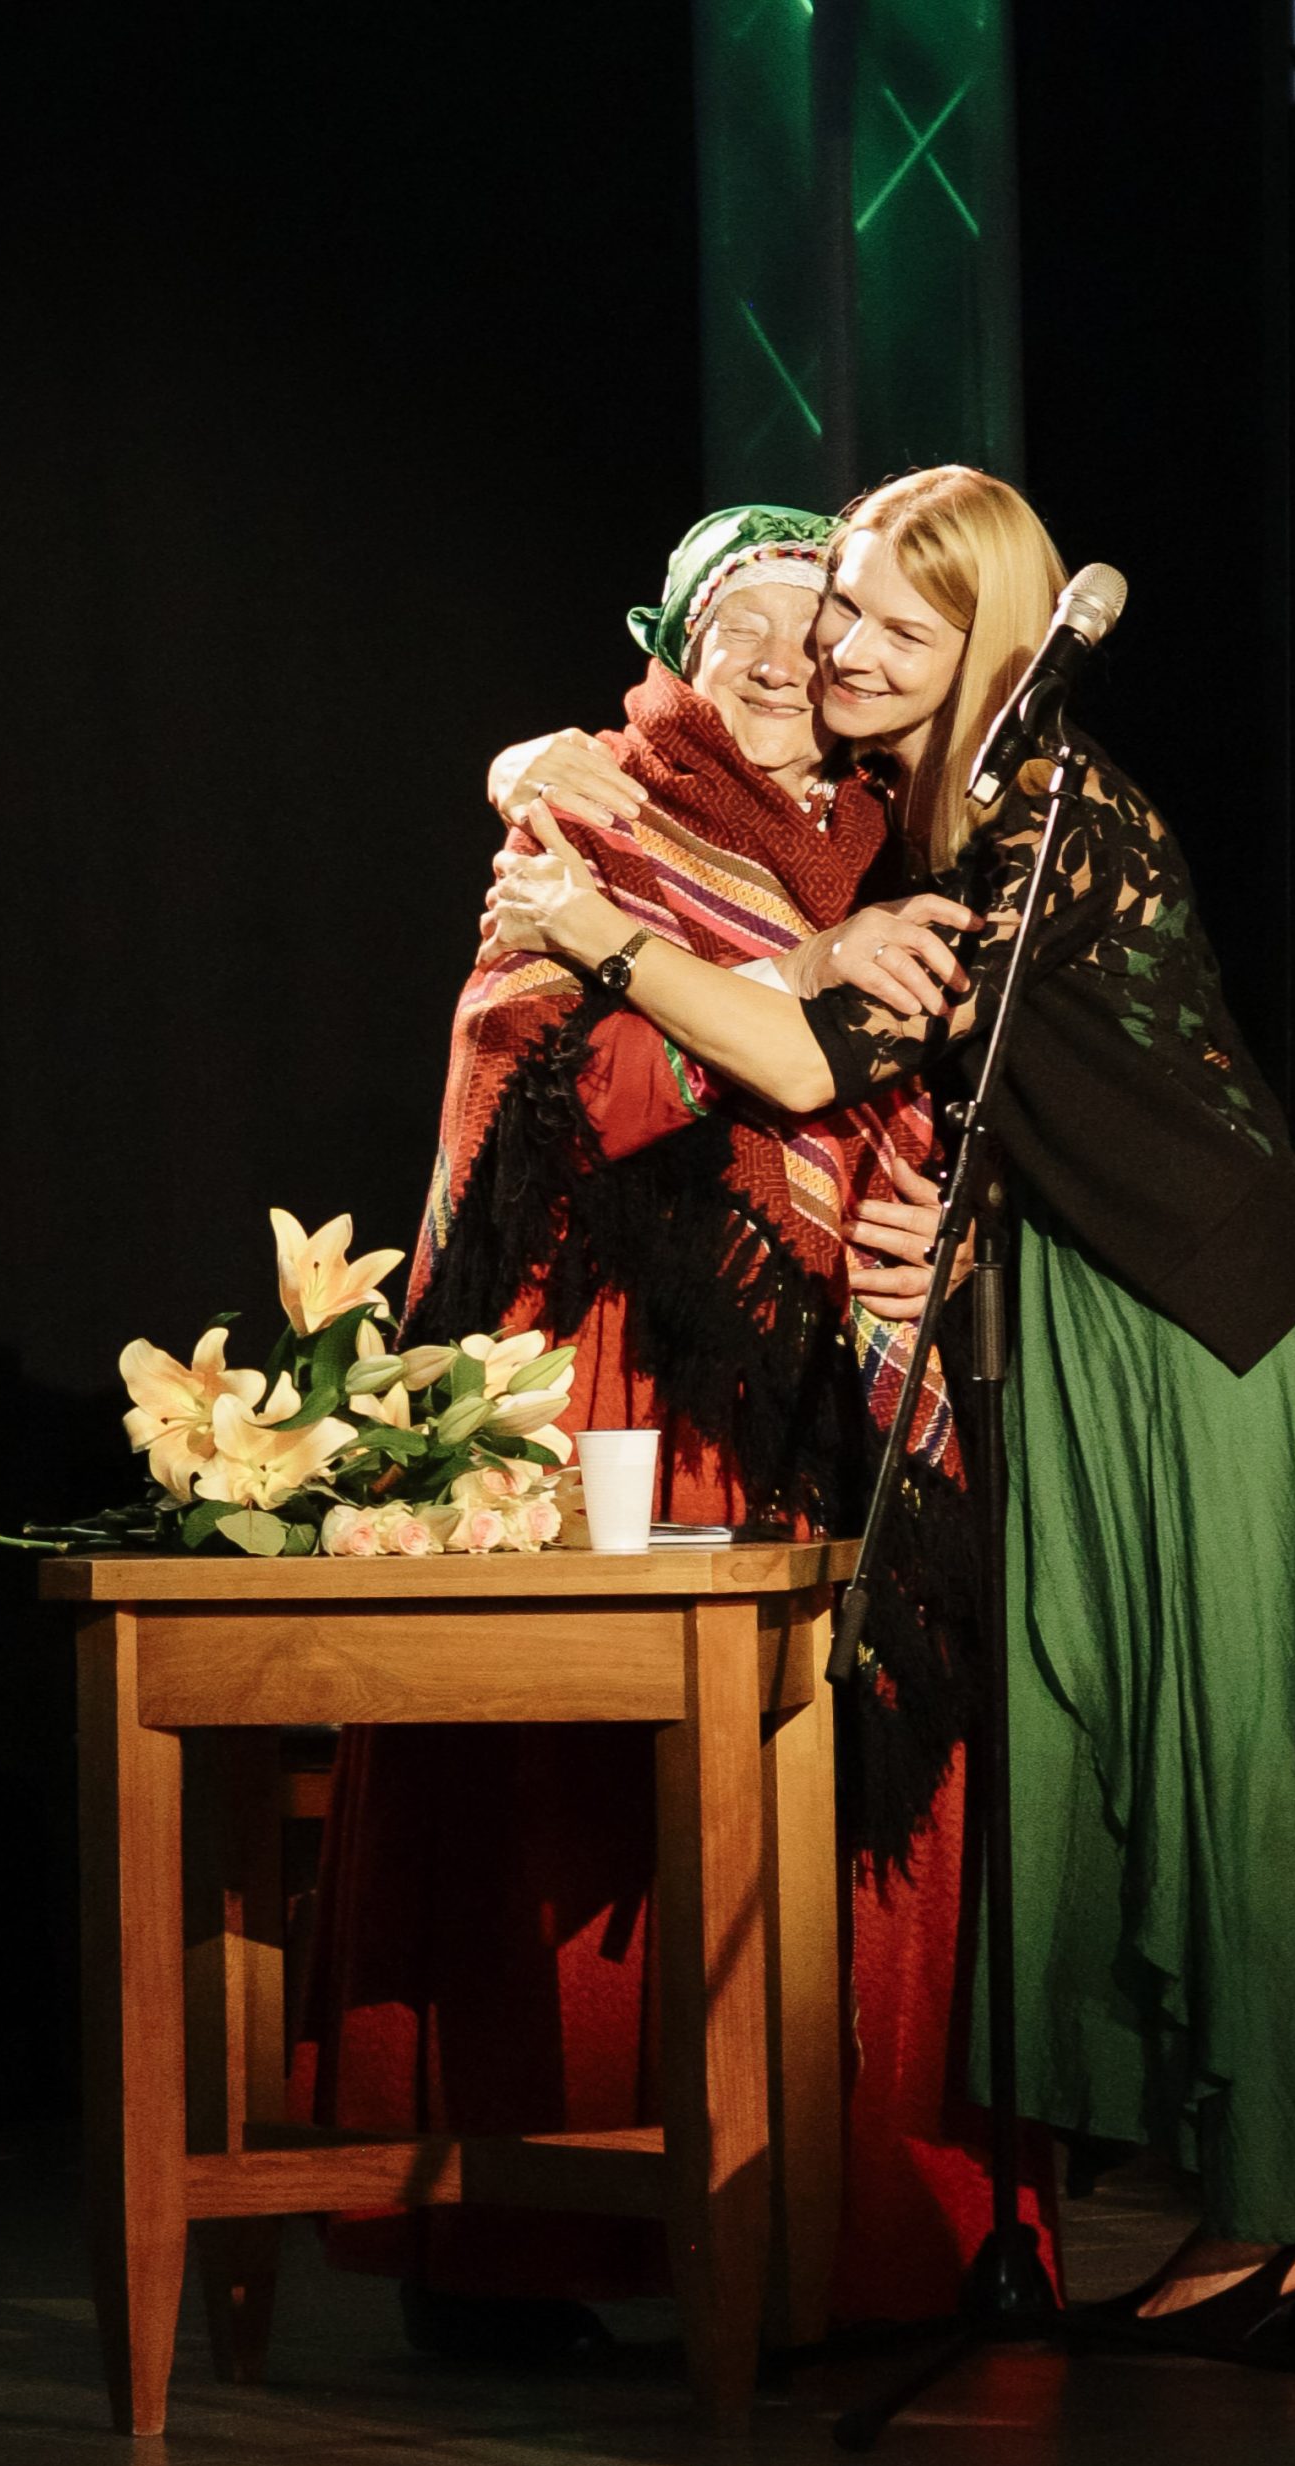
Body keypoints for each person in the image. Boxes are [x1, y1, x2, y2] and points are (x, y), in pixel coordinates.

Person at [488, 462, 1295, 2340]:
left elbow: (797, 1054)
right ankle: (1250, 2202)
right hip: (1087, 1309)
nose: (841, 650)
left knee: (1238, 1745)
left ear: (995, 644)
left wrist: (593, 933)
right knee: (1120, 1736)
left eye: (894, 626)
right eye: (840, 604)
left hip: (1211, 1317)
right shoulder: (941, 824)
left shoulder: (1037, 821)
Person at [296, 504, 1058, 2350]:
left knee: (871, 1781)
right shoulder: (590, 812)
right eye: (745, 633)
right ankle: (527, 2243)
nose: (790, 665)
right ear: (675, 653)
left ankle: (861, 2235)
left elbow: (971, 1099)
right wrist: (783, 988)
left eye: (822, 628)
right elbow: (523, 1059)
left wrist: (950, 1229)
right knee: (575, 1805)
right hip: (629, 1366)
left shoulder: (905, 842)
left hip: (848, 1370)